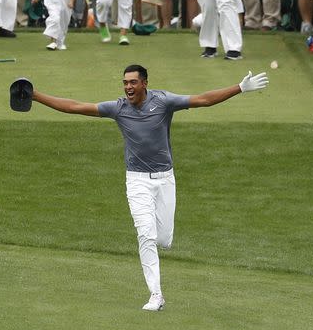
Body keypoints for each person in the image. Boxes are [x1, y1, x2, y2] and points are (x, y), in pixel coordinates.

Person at [30, 64, 269, 311]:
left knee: (163, 239)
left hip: (165, 179)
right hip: (137, 181)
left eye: (133, 82)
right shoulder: (118, 108)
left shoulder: (164, 101)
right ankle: (156, 295)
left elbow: (204, 100)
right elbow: (74, 107)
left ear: (144, 83)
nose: (128, 87)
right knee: (145, 234)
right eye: (125, 83)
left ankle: (158, 256)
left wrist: (240, 88)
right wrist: (35, 95)